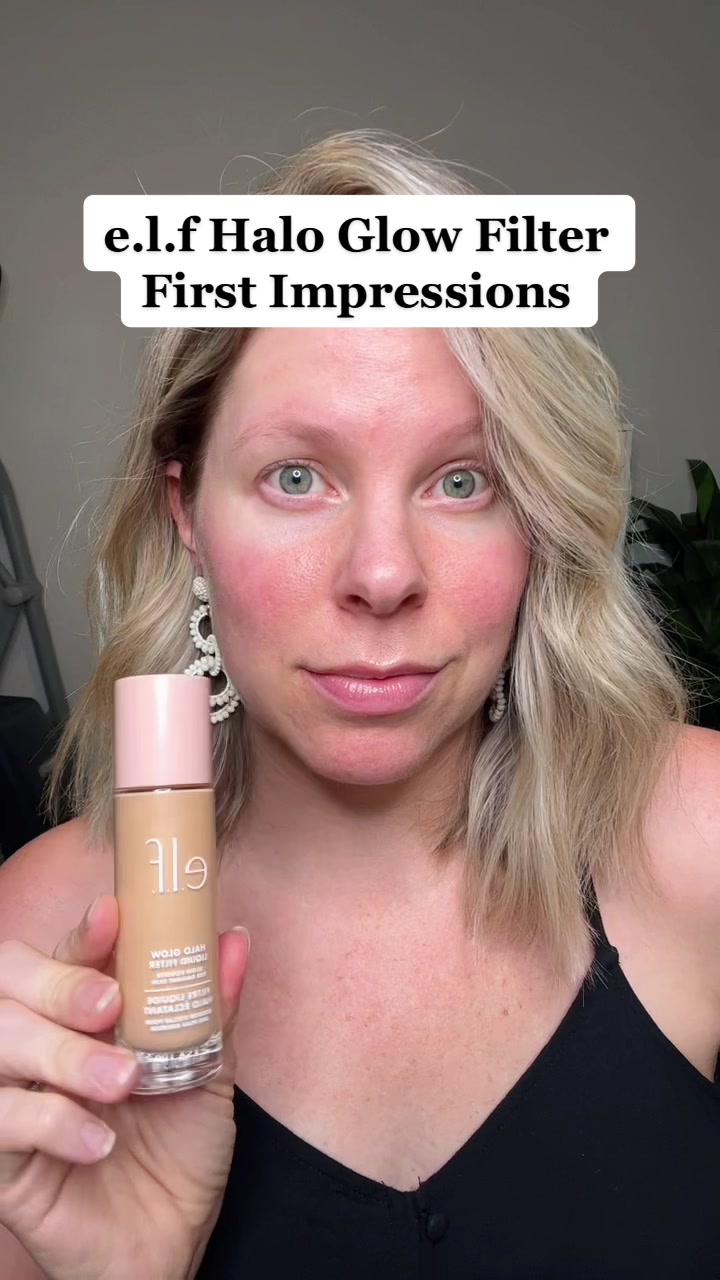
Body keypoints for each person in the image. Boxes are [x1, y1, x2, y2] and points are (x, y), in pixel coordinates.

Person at [0, 128, 718, 1280]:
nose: (383, 573)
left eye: (463, 480)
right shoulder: (34, 942)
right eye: (297, 476)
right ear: (186, 511)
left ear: (538, 517)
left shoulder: (701, 836)